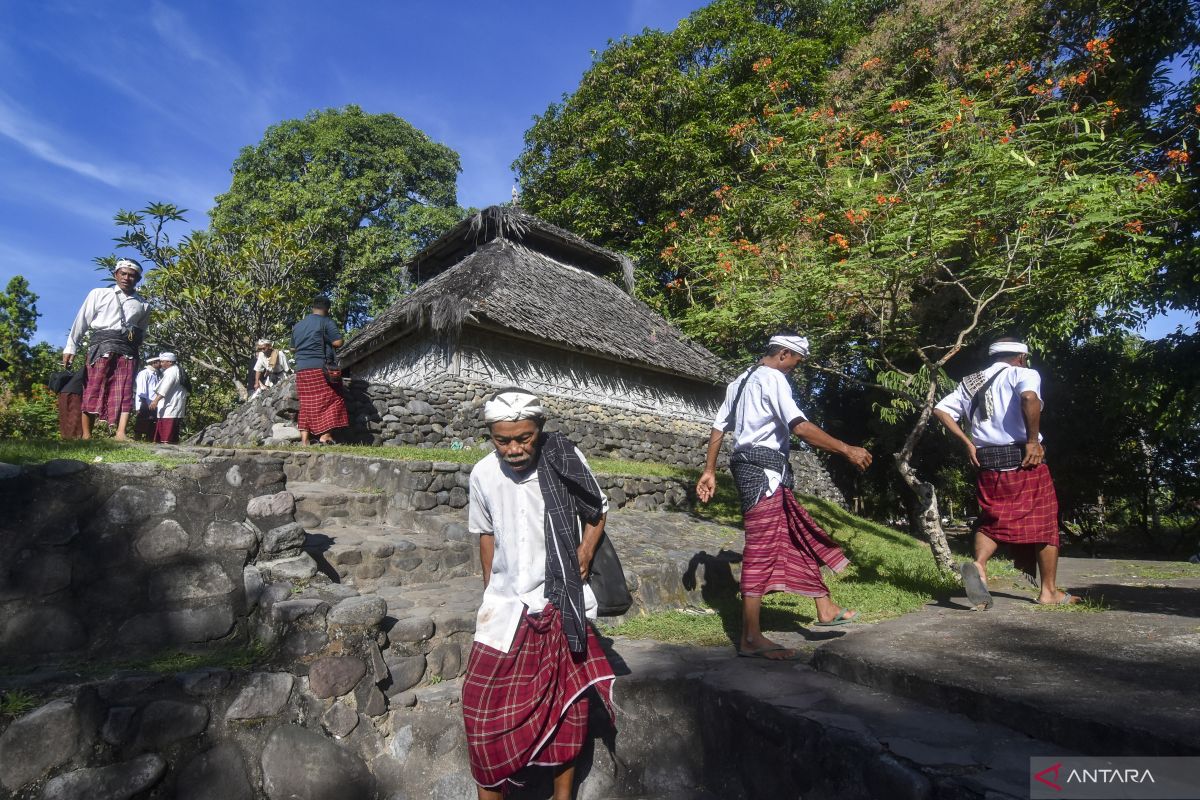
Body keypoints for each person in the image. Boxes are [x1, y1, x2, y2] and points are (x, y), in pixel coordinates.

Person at [462, 388, 616, 800]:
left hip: (558, 603)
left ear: (539, 430)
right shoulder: (482, 474)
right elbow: (487, 536)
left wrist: (584, 552)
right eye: (503, 439)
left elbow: (596, 510)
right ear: (491, 435)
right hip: (505, 608)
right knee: (480, 713)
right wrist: (490, 595)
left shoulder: (564, 460)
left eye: (524, 437)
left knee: (566, 708)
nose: (514, 448)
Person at [696, 332, 873, 660]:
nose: (795, 368)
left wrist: (709, 470)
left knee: (795, 533)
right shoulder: (773, 378)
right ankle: (750, 637)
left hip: (757, 467)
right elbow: (799, 426)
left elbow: (719, 427)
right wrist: (846, 449)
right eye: (795, 361)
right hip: (761, 470)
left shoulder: (740, 380)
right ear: (783, 354)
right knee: (760, 548)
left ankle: (824, 605)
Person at [932, 338, 1078, 607]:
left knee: (993, 519)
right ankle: (1049, 592)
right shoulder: (1023, 373)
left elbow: (940, 409)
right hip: (1024, 457)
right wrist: (1033, 442)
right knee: (1044, 522)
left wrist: (968, 443)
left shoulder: (971, 381)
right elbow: (1029, 397)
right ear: (1021, 357)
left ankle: (979, 564)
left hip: (986, 459)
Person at [62, 258, 152, 440]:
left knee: (125, 390)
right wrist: (71, 346)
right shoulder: (99, 294)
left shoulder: (143, 304)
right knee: (93, 388)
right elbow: (82, 320)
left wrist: (135, 343)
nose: (127, 278)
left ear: (138, 279)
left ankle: (120, 433)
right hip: (101, 346)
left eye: (132, 275)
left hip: (127, 350)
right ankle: (87, 434)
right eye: (123, 273)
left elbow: (142, 332)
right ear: (115, 275)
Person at [290, 296, 347, 445]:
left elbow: (292, 347)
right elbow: (338, 342)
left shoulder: (298, 325)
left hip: (302, 369)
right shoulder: (326, 322)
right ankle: (325, 436)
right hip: (320, 367)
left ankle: (305, 441)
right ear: (327, 309)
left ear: (313, 307)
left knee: (306, 403)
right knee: (334, 399)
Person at [149, 352, 187, 444]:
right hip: (173, 402)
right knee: (169, 419)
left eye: (163, 362)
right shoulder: (176, 370)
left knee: (168, 421)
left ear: (170, 362)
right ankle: (167, 441)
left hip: (170, 403)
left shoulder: (171, 372)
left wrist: (155, 400)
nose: (161, 364)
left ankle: (166, 442)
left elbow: (164, 388)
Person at [54, 367, 88, 440]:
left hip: (64, 393)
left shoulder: (85, 368)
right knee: (74, 416)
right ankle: (73, 438)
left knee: (66, 417)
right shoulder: (90, 367)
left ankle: (68, 438)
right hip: (73, 393)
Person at [133, 356, 162, 440]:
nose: (161, 364)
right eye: (159, 362)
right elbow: (141, 390)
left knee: (151, 422)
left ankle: (148, 440)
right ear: (154, 363)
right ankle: (136, 439)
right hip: (144, 402)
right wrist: (144, 403)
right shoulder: (144, 373)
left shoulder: (156, 374)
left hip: (152, 403)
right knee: (141, 422)